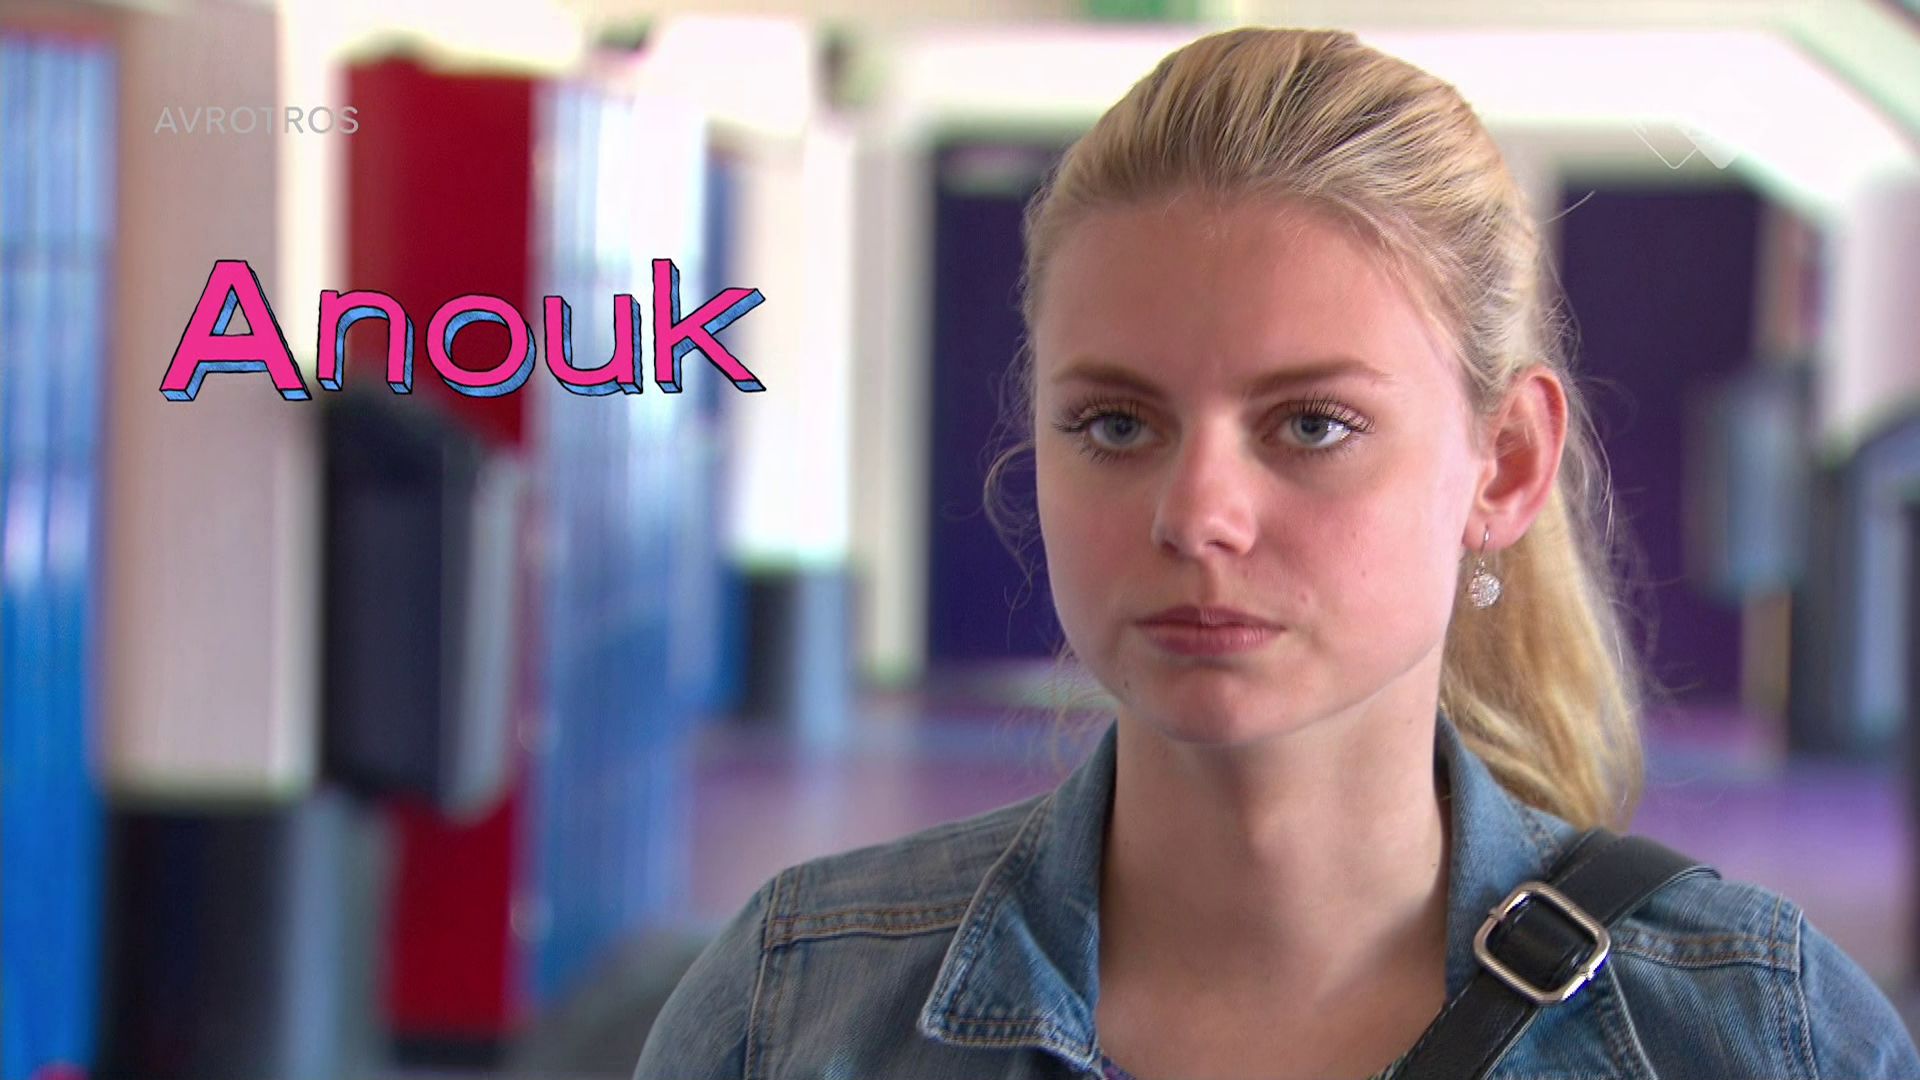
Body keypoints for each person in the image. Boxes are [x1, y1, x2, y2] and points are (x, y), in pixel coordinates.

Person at [633, 26, 1920, 1080]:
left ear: (1505, 464)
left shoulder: (1760, 1038)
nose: (1197, 514)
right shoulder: (797, 1014)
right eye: (1116, 423)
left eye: (1312, 424)